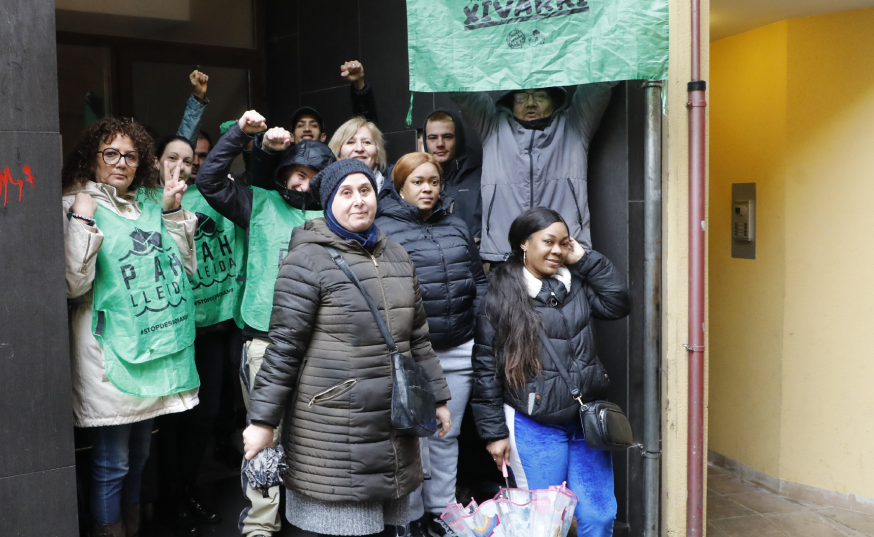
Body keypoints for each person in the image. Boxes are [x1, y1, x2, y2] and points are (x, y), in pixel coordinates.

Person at [242, 158, 452, 537]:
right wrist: (262, 423)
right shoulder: (307, 260)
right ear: (328, 202)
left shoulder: (399, 257)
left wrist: (437, 397)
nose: (358, 201)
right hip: (335, 429)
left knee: (387, 529)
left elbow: (418, 338)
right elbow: (284, 349)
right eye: (346, 192)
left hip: (392, 427)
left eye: (365, 190)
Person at [195, 110, 336, 537]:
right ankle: (260, 522)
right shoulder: (258, 201)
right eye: (294, 172)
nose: (302, 182)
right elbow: (209, 182)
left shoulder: (338, 216)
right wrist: (241, 134)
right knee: (262, 435)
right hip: (264, 340)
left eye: (312, 175)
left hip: (323, 342)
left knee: (316, 436)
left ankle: (313, 514)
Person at [63, 117, 200, 537]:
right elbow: (73, 284)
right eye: (110, 154)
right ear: (92, 158)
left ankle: (133, 528)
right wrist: (83, 223)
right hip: (107, 354)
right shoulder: (72, 204)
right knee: (112, 463)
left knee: (140, 457)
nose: (120, 163)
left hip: (153, 350)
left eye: (130, 155)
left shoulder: (150, 202)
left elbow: (185, 270)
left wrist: (173, 211)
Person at [471, 207, 631, 537]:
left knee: (599, 516)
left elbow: (618, 302)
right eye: (548, 241)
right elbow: (486, 368)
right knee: (543, 525)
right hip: (534, 424)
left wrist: (583, 257)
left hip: (585, 423)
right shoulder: (498, 295)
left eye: (564, 243)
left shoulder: (578, 286)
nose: (557, 250)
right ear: (523, 244)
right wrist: (494, 433)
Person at [374, 153, 487, 536]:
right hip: (412, 353)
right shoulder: (382, 229)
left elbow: (479, 280)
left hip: (459, 347)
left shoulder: (455, 225)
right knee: (412, 438)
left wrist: (482, 325)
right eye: (418, 182)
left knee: (446, 433)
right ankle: (410, 516)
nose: (427, 189)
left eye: (434, 182)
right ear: (400, 185)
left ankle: (442, 511)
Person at [147, 135, 243, 536]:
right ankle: (169, 497)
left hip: (217, 327)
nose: (183, 165)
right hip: (170, 328)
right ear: (157, 161)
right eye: (174, 157)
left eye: (191, 159)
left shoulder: (216, 194)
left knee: (207, 415)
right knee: (171, 421)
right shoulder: (146, 201)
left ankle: (187, 489)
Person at [450, 82, 615, 261]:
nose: (530, 103)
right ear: (510, 103)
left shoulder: (575, 125)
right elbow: (462, 89)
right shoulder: (492, 127)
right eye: (521, 97)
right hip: (505, 254)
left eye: (540, 96)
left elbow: (600, 83)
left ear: (554, 101)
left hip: (563, 254)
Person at [421, 110, 483, 241]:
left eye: (447, 136)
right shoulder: (416, 180)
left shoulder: (480, 178)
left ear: (458, 138)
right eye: (432, 138)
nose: (440, 144)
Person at [328, 116, 388, 188]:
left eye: (366, 142)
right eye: (350, 142)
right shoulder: (325, 192)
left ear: (378, 156)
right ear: (337, 154)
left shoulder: (396, 190)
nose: (359, 149)